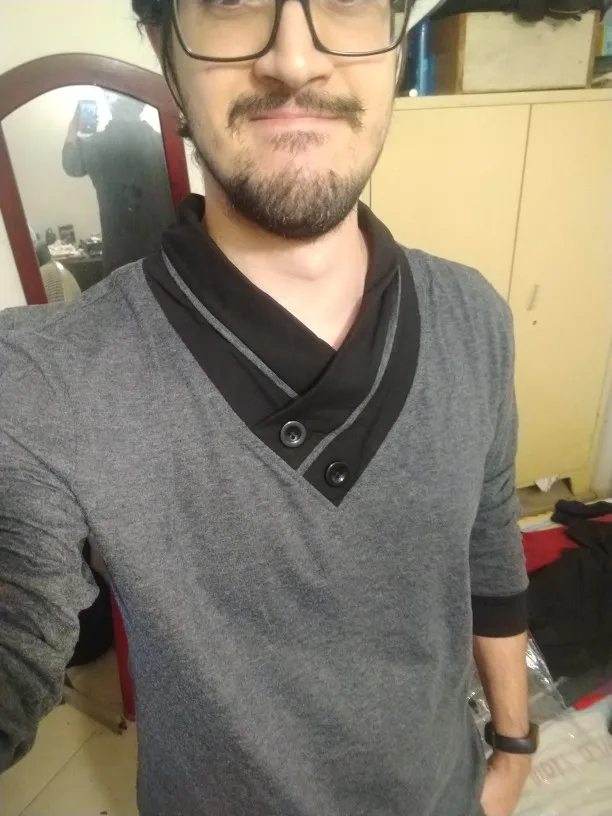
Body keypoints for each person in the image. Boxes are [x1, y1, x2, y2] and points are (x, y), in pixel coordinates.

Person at [0, 1, 537, 814]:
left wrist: (514, 743)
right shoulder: (46, 381)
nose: (294, 59)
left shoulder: (475, 318)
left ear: (397, 42)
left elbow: (489, 551)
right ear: (165, 48)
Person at [62, 93, 176, 275]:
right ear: (142, 106)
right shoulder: (162, 144)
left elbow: (70, 165)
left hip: (119, 255)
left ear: (110, 106)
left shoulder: (96, 145)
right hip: (162, 253)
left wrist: (74, 127)